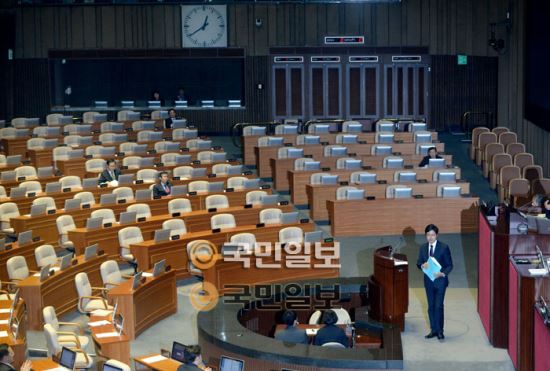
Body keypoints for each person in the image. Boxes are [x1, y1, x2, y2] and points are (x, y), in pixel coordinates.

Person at [417, 224, 453, 340]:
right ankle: (433, 330)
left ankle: (440, 331)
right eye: (428, 235)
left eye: (432, 235)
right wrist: (422, 265)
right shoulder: (423, 248)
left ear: (436, 235)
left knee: (438, 306)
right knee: (431, 306)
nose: (430, 237)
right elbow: (418, 263)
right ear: (425, 235)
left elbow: (449, 265)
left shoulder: (444, 247)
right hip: (428, 281)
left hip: (440, 281)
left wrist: (442, 273)